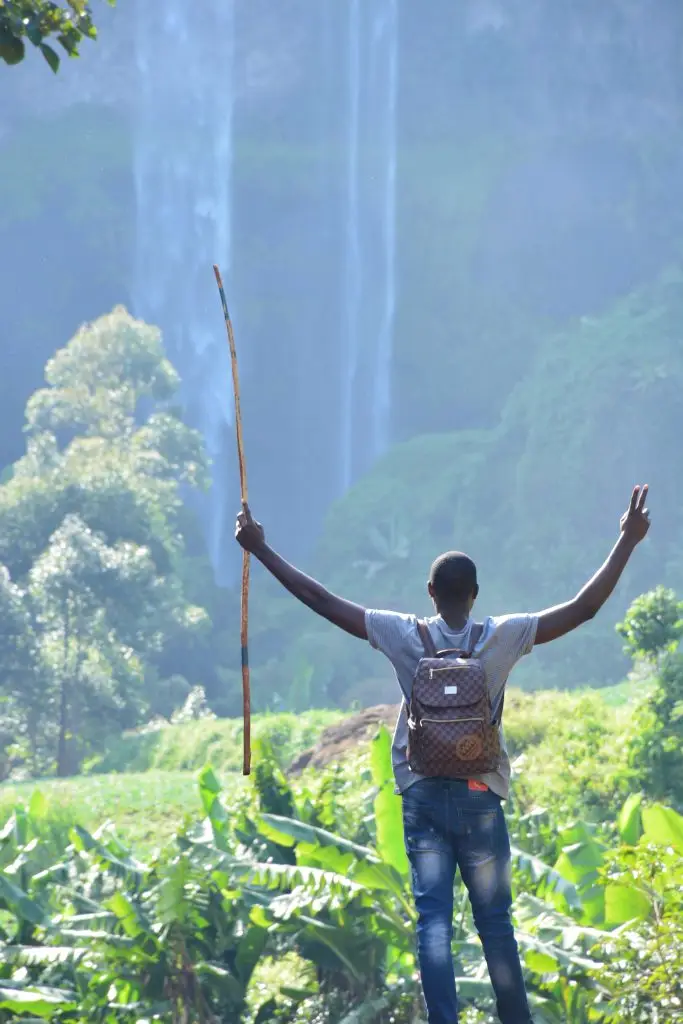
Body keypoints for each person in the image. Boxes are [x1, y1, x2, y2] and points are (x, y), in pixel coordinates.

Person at [235, 484, 651, 1024]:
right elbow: (585, 608)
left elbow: (321, 601)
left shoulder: (401, 634)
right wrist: (627, 541)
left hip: (424, 796)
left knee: (433, 919)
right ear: (475, 594)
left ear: (430, 591)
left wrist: (261, 549)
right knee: (495, 923)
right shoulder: (502, 636)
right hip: (480, 795)